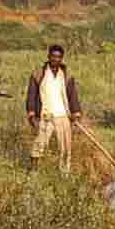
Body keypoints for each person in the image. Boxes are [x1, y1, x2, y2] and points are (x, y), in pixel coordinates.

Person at [26, 44, 83, 172]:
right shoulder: (38, 74)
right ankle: (34, 171)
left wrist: (76, 113)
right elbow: (31, 94)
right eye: (53, 56)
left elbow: (72, 95)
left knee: (65, 147)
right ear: (48, 56)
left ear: (62, 59)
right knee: (39, 145)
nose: (56, 59)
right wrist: (31, 113)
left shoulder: (66, 75)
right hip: (46, 115)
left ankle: (64, 173)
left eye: (59, 57)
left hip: (63, 116)